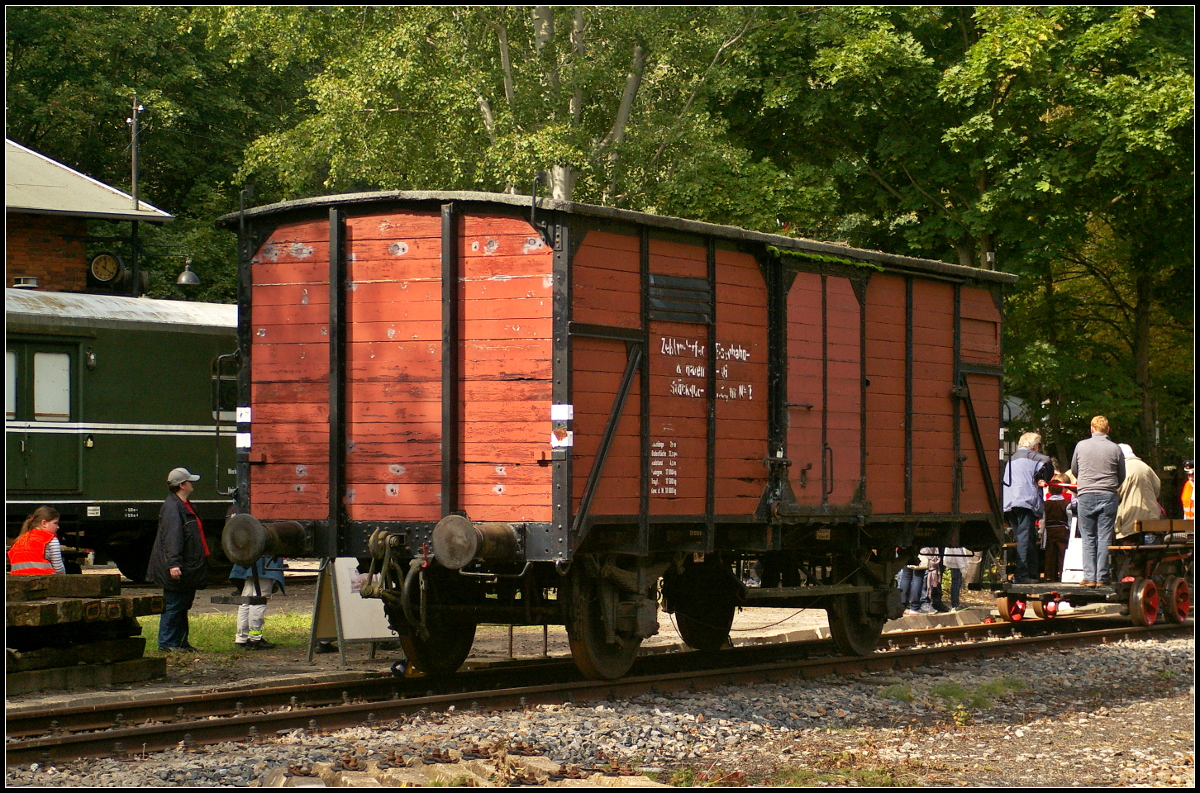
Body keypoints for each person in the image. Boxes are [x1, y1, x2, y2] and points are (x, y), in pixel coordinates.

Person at [146, 467, 211, 652]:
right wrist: (173, 564)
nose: (192, 484)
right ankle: (167, 643)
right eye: (190, 481)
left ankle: (181, 642)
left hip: (188, 565)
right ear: (182, 485)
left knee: (182, 604)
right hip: (178, 565)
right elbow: (172, 537)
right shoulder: (173, 507)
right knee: (174, 604)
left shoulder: (184, 505)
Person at [1070, 416, 1125, 588]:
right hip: (1108, 495)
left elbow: (1074, 469)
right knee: (1104, 536)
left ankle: (1089, 576)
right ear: (1108, 430)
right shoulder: (1115, 448)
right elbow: (1121, 474)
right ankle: (1102, 576)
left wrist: (1087, 482)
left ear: (1092, 429)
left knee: (1088, 537)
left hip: (1086, 495)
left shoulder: (1081, 446)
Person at [1002, 431, 1054, 584]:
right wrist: (1043, 478)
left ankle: (1032, 573)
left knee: (1027, 537)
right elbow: (1048, 462)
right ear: (1034, 446)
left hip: (1009, 503)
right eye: (1037, 445)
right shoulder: (1035, 457)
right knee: (1025, 538)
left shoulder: (1010, 460)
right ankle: (1022, 574)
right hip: (1025, 501)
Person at [229, 555, 286, 649]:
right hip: (263, 562)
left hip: (249, 560)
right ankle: (254, 639)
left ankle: (241, 638)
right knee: (259, 599)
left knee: (246, 600)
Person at [1115, 444, 1162, 545]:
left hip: (1129, 519)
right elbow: (1157, 487)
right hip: (1151, 517)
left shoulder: (1122, 468)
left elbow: (1115, 493)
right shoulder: (1145, 466)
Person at [7, 506, 67, 576]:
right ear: (44, 523)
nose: (58, 527)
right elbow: (59, 569)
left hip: (19, 582)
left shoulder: (19, 540)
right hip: (44, 582)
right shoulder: (50, 539)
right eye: (55, 523)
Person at [1041, 480, 1072, 581]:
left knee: (1050, 556)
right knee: (1063, 555)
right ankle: (1064, 576)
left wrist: (1041, 533)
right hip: (1063, 532)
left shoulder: (1045, 504)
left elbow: (1043, 520)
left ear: (1049, 490)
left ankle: (1049, 577)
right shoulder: (1067, 504)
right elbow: (1070, 520)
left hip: (1049, 532)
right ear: (1062, 489)